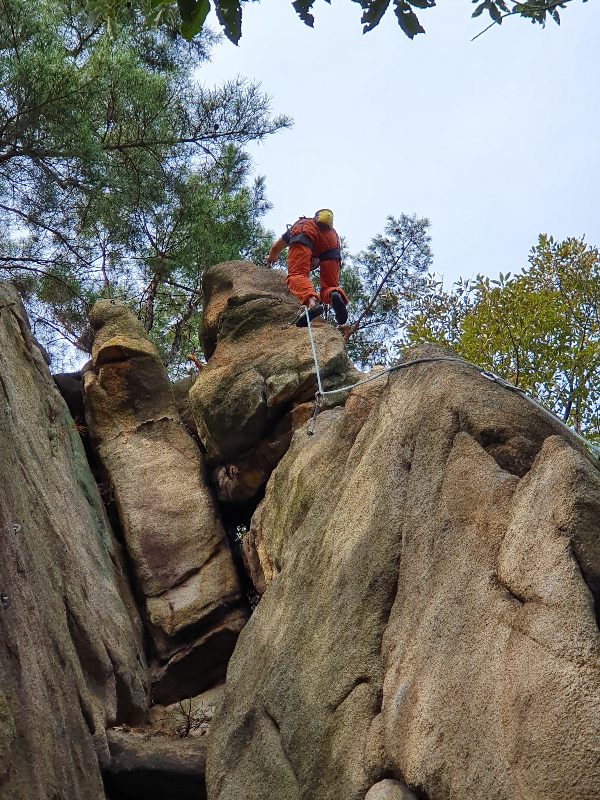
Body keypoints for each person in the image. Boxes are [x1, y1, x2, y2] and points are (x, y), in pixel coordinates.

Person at [267, 208, 348, 327]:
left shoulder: (302, 225)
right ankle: (334, 294)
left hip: (305, 232)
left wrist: (272, 256)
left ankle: (311, 304)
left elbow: (275, 248)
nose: (310, 266)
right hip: (332, 241)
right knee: (330, 287)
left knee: (297, 275)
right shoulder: (330, 235)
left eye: (311, 264)